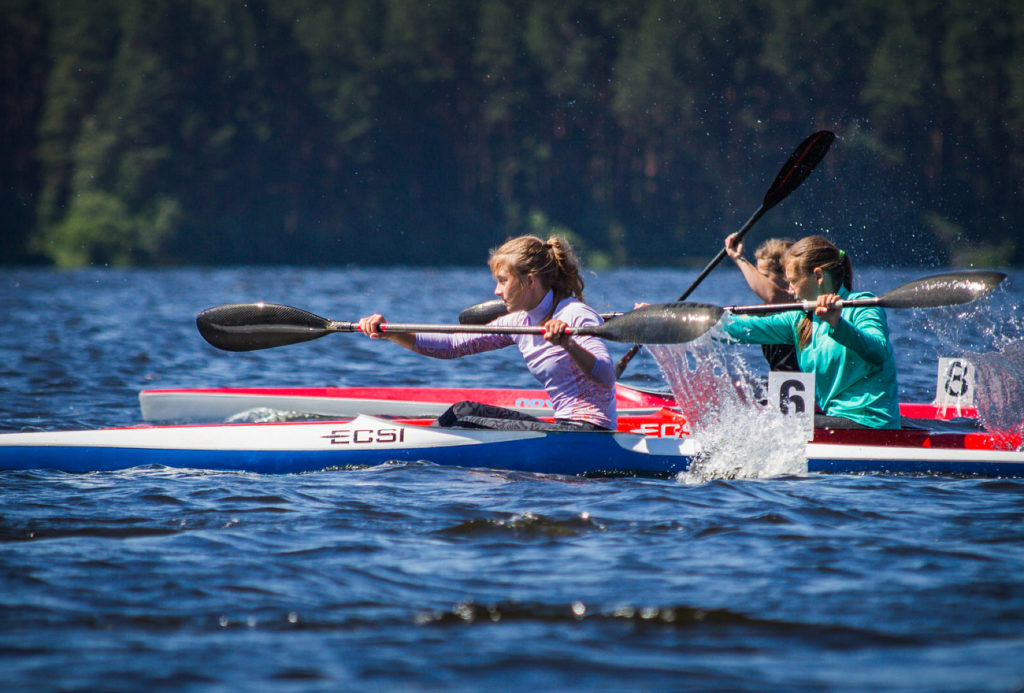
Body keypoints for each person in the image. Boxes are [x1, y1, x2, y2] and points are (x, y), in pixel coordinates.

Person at [358, 235, 616, 431]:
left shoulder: (574, 314)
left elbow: (607, 375)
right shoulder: (519, 321)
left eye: (503, 281)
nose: (496, 291)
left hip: (589, 432)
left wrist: (568, 343)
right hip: (565, 427)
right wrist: (391, 332)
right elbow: (452, 346)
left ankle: (419, 451)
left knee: (462, 416)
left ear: (530, 281)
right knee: (464, 410)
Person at [722, 235, 901, 429]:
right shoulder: (800, 318)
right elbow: (744, 329)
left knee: (770, 425)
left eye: (793, 281)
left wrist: (838, 324)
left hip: (872, 423)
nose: (790, 289)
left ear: (818, 276)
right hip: (836, 418)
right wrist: (701, 323)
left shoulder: (863, 305)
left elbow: (878, 351)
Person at [725, 232, 800, 372]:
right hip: (785, 385)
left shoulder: (798, 303)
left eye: (764, 276)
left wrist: (738, 258)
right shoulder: (767, 310)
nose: (758, 280)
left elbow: (773, 295)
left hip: (809, 387)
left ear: (786, 275)